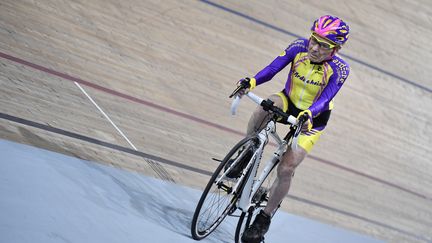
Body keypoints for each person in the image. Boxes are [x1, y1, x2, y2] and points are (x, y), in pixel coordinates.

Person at [236, 15, 351, 242]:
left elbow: (326, 99)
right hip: (288, 100)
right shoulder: (298, 47)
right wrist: (252, 81)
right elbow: (272, 68)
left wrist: (308, 114)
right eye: (314, 40)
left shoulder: (339, 69)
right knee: (264, 108)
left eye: (323, 45)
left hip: (313, 118)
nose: (315, 48)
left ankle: (264, 219)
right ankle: (247, 152)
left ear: (335, 49)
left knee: (286, 169)